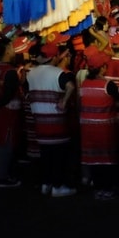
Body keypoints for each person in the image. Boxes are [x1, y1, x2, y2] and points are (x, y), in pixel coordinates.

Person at [26, 42, 78, 197]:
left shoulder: (31, 73)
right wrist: (64, 101)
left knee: (45, 155)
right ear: (54, 57)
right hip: (56, 122)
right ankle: (57, 186)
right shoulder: (58, 73)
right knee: (58, 157)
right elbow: (71, 87)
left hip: (39, 122)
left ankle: (46, 184)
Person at [79, 51, 119, 200]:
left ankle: (98, 188)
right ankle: (107, 188)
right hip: (105, 129)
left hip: (87, 129)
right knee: (106, 160)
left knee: (94, 160)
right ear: (103, 68)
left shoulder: (84, 84)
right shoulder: (108, 85)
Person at [0, 37, 24, 188]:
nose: (14, 50)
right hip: (8, 112)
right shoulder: (10, 72)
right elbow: (8, 95)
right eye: (12, 47)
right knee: (6, 145)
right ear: (7, 51)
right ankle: (2, 177)